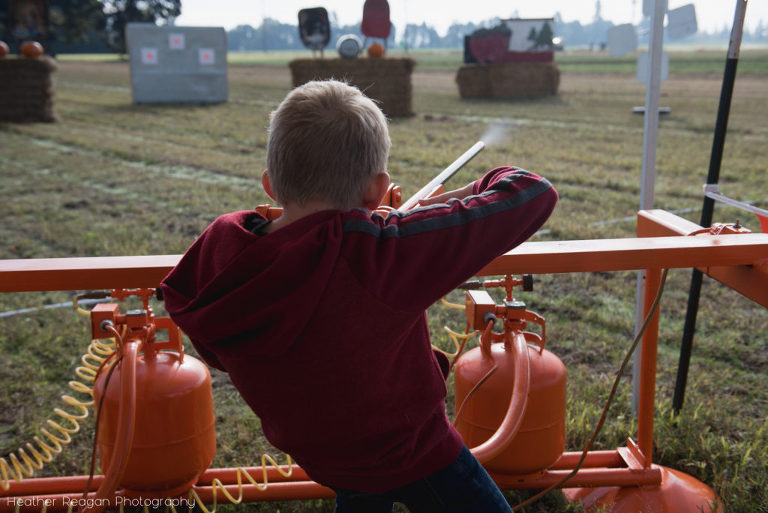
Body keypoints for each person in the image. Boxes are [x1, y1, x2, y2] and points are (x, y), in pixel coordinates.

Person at [160, 80, 557, 513]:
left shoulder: (224, 252)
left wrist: (377, 225)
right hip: (416, 453)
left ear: (271, 185)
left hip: (328, 457)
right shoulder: (380, 256)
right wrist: (449, 203)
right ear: (377, 189)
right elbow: (532, 191)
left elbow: (221, 349)